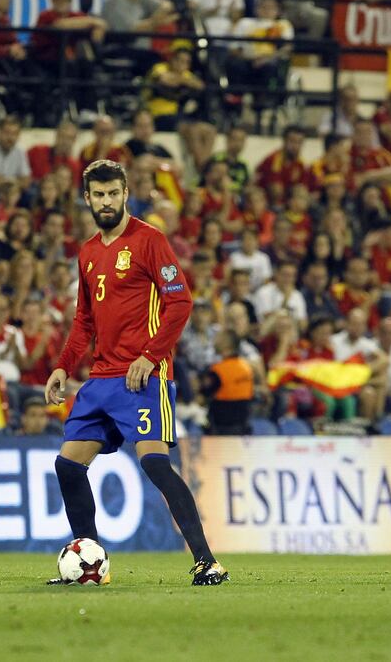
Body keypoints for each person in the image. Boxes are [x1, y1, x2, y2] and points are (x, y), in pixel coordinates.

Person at [44, 159, 227, 586]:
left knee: (155, 465)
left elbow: (180, 302)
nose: (106, 202)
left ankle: (207, 561)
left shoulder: (149, 240)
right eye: (98, 195)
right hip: (101, 380)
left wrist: (150, 355)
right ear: (87, 199)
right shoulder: (88, 252)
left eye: (113, 194)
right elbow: (83, 321)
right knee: (68, 467)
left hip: (143, 378)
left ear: (125, 194)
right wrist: (62, 366)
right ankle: (90, 565)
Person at [202, 329, 254, 435]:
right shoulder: (246, 367)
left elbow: (205, 392)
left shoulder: (218, 370)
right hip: (243, 424)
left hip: (221, 425)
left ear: (227, 344)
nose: (215, 341)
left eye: (219, 338)